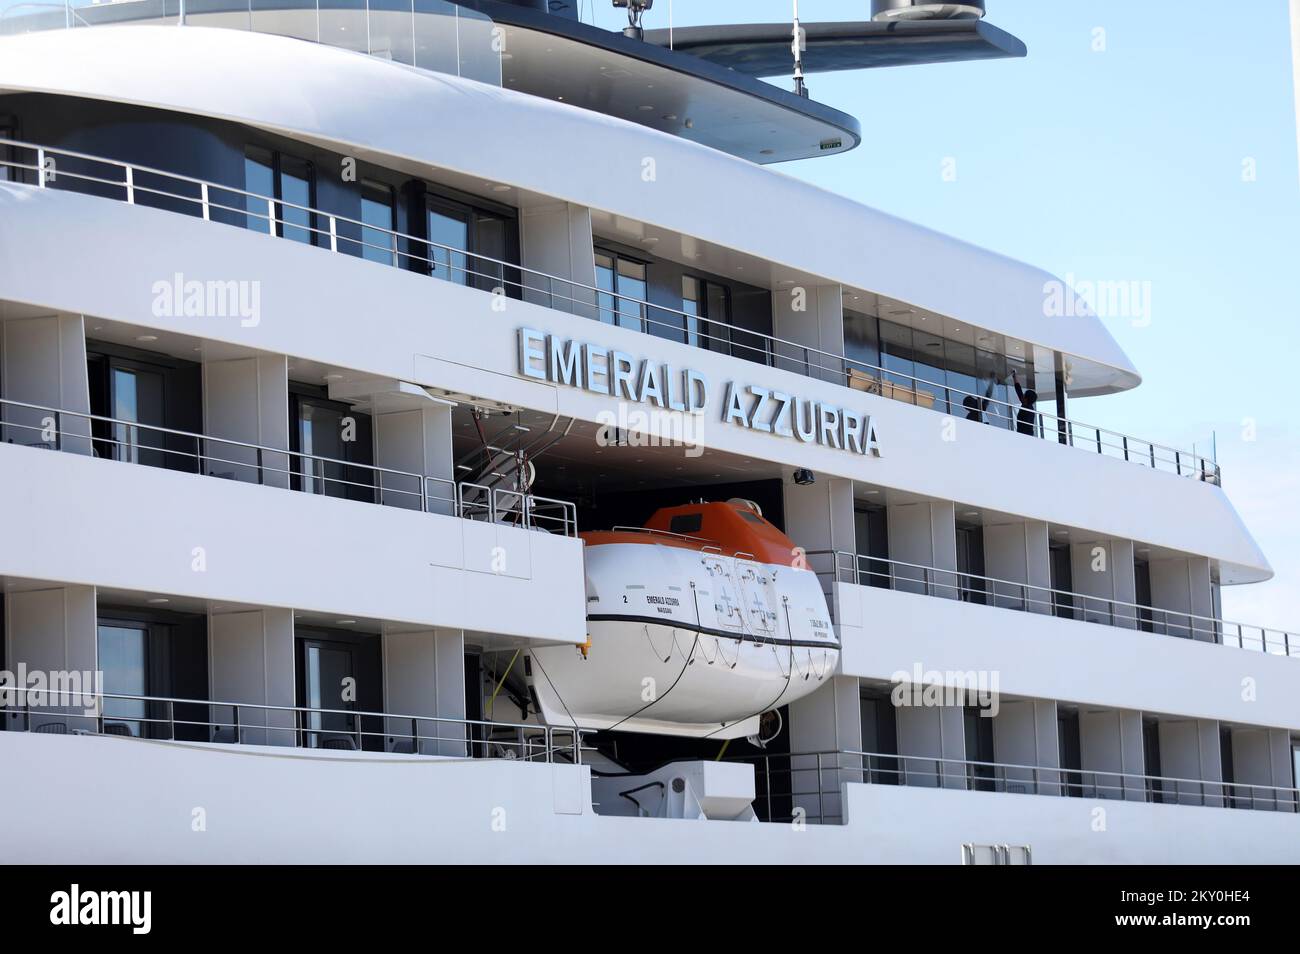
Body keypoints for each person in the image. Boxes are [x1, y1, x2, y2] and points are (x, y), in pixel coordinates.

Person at [1010, 370, 1038, 436]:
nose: (1023, 396)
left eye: (1024, 395)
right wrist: (1014, 377)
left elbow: (1027, 427)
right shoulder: (1026, 403)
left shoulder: (1029, 410)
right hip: (1022, 434)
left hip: (1026, 435)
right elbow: (1019, 390)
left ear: (1026, 399)